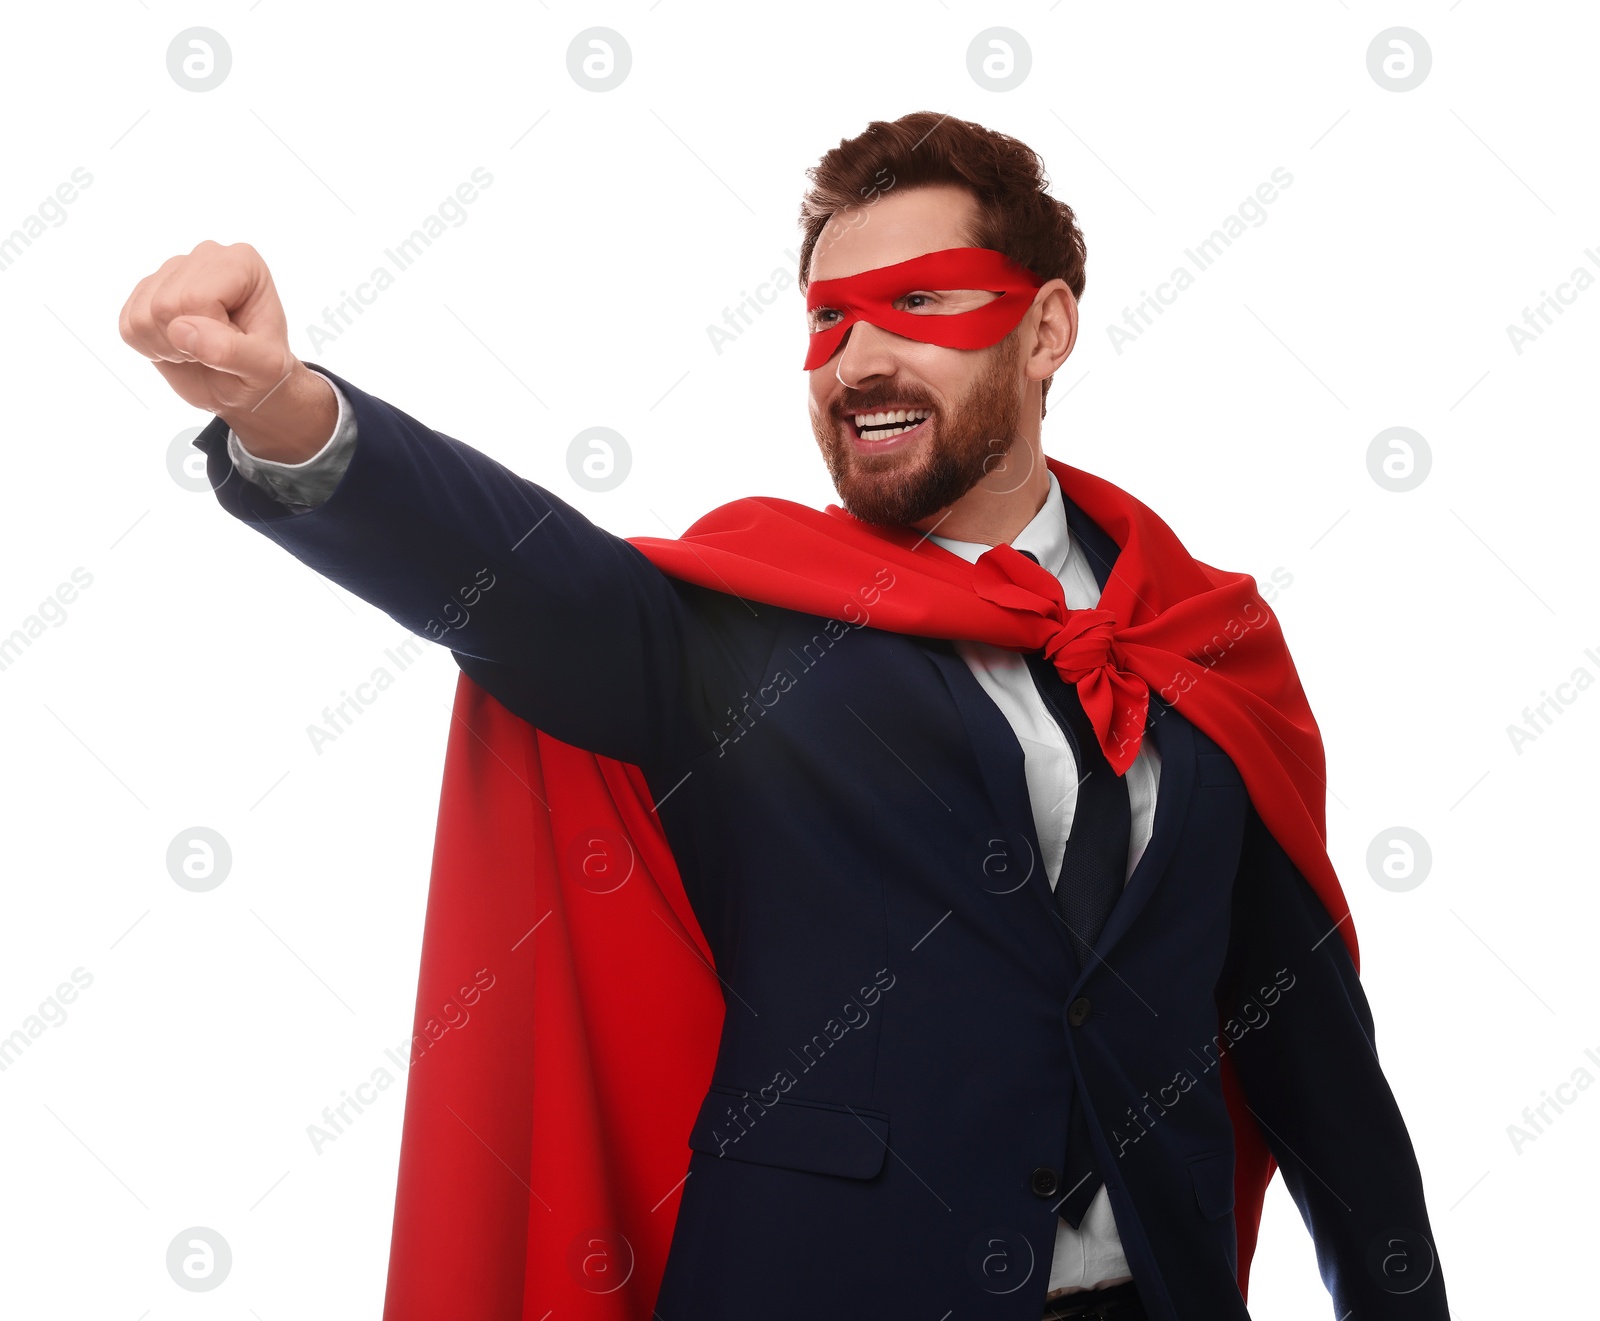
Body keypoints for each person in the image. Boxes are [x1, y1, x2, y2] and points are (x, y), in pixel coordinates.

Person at [119, 111, 1449, 1321]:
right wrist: (283, 409)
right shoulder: (736, 626)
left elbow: (1314, 1066)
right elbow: (519, 579)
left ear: (1044, 330)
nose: (856, 358)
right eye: (826, 322)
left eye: (918, 303)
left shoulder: (1206, 644)